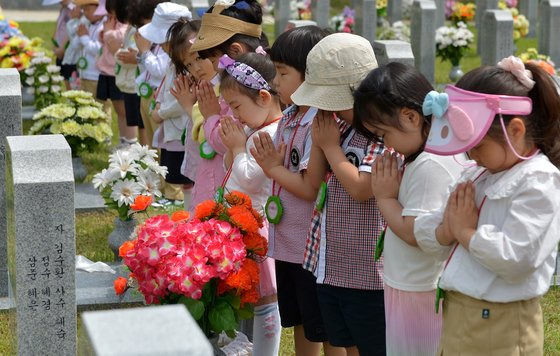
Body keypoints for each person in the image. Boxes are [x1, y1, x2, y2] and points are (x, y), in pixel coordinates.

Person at [414, 56, 560, 354]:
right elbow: (436, 227)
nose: (471, 156)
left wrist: (465, 232)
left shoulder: (538, 181)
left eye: (478, 146)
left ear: (515, 131)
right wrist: (446, 231)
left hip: (500, 323)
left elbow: (518, 259)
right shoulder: (478, 173)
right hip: (460, 314)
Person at [352, 62, 465, 356]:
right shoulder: (426, 154)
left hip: (419, 288)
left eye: (383, 134)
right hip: (410, 283)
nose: (383, 143)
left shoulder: (430, 164)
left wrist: (385, 198)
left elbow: (417, 233)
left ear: (412, 116)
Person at [293, 33, 385, 356]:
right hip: (330, 262)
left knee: (368, 344)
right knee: (345, 345)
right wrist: (323, 142)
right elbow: (315, 179)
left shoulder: (379, 133)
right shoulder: (335, 125)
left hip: (367, 269)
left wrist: (331, 147)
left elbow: (361, 188)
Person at [250, 26, 341, 356]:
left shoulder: (317, 121)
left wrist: (272, 168)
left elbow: (309, 187)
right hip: (289, 243)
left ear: (312, 75)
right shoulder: (290, 115)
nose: (275, 82)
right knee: (301, 321)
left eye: (283, 73)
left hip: (311, 245)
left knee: (326, 327)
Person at [218, 52, 283, 356]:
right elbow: (230, 168)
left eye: (237, 106)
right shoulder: (253, 130)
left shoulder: (270, 134)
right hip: (243, 222)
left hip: (260, 229)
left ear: (263, 97)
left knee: (265, 299)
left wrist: (236, 148)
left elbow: (250, 178)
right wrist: (236, 148)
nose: (235, 115)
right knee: (250, 295)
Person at [178, 0, 266, 210]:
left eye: (212, 58)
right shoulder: (235, 77)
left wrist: (210, 116)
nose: (211, 66)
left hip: (232, 185)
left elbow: (226, 140)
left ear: (235, 51)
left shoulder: (247, 85)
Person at [138, 2, 194, 205]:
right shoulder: (174, 61)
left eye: (162, 42)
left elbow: (183, 101)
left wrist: (161, 113)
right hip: (172, 127)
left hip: (180, 126)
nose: (159, 46)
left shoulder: (185, 66)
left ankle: (188, 208)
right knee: (177, 172)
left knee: (187, 176)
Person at [167, 19, 217, 207]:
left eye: (199, 58)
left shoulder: (225, 87)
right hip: (202, 171)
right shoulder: (202, 85)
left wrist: (189, 107)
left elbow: (210, 133)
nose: (196, 68)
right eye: (188, 64)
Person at [95, 0, 135, 148]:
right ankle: (122, 139)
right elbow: (104, 38)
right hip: (107, 71)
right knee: (118, 110)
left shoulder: (125, 27)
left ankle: (129, 141)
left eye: (112, 11)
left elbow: (117, 37)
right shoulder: (112, 24)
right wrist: (104, 33)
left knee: (124, 110)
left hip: (116, 73)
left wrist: (107, 32)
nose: (110, 15)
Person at [129, 0, 168, 148]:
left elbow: (160, 70)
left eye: (142, 24)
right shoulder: (153, 42)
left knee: (158, 144)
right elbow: (147, 68)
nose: (141, 30)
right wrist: (141, 55)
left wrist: (144, 52)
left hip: (158, 97)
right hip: (147, 94)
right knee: (150, 142)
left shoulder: (166, 42)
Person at [114, 0, 144, 145]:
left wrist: (117, 51)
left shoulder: (139, 30)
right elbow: (125, 54)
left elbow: (129, 54)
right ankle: (129, 145)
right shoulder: (131, 28)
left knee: (140, 122)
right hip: (129, 82)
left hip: (135, 83)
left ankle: (139, 149)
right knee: (134, 119)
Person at [75, 0, 111, 115]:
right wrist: (80, 36)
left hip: (97, 76)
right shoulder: (89, 24)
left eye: (88, 9)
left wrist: (84, 38)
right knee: (86, 111)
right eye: (83, 9)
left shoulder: (104, 26)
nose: (84, 13)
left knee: (100, 110)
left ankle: (102, 132)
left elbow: (99, 50)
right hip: (85, 74)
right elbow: (77, 45)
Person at [43, 0, 74, 89]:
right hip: (60, 48)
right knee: (64, 77)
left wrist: (62, 49)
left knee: (70, 79)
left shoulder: (73, 10)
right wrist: (55, 43)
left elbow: (71, 31)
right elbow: (59, 26)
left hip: (67, 50)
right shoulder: (63, 9)